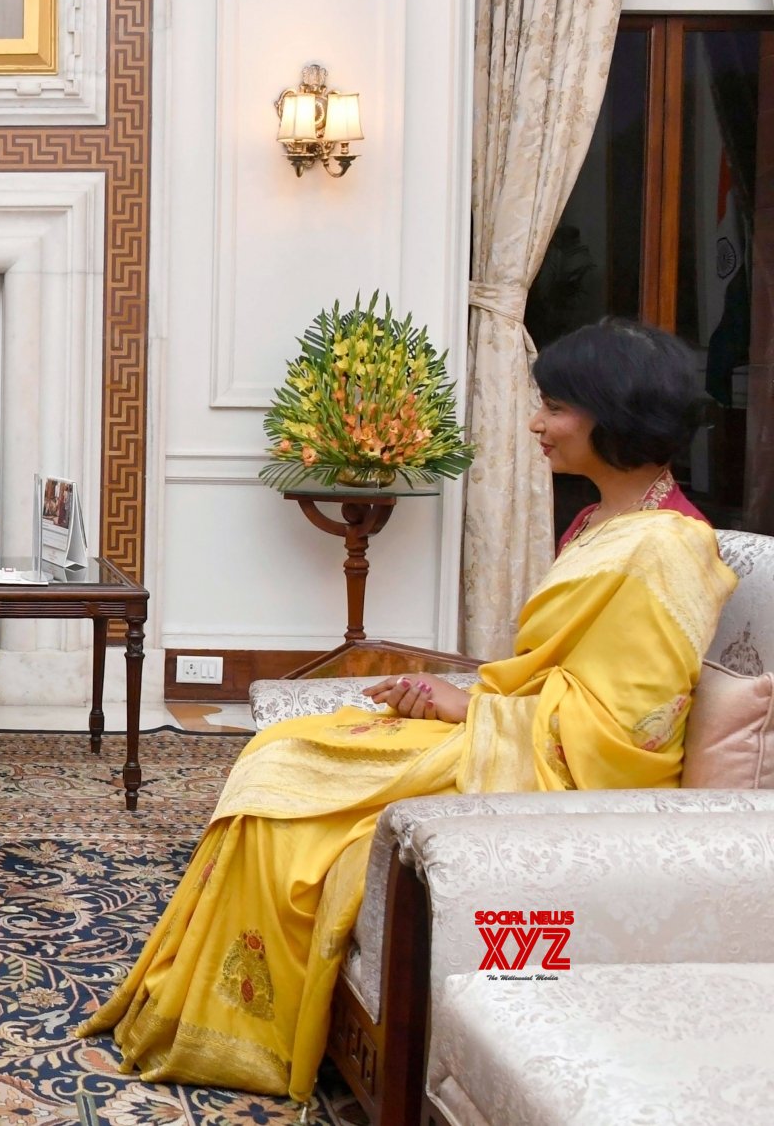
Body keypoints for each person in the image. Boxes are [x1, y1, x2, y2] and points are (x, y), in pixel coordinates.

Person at [74, 317, 736, 1100]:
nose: (536, 424)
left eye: (554, 407)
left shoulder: (669, 549)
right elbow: (555, 674)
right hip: (513, 732)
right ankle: (215, 1010)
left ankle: (237, 1033)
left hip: (555, 772)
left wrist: (470, 710)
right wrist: (452, 697)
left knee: (290, 783)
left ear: (614, 413)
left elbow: (632, 735)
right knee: (282, 750)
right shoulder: (601, 521)